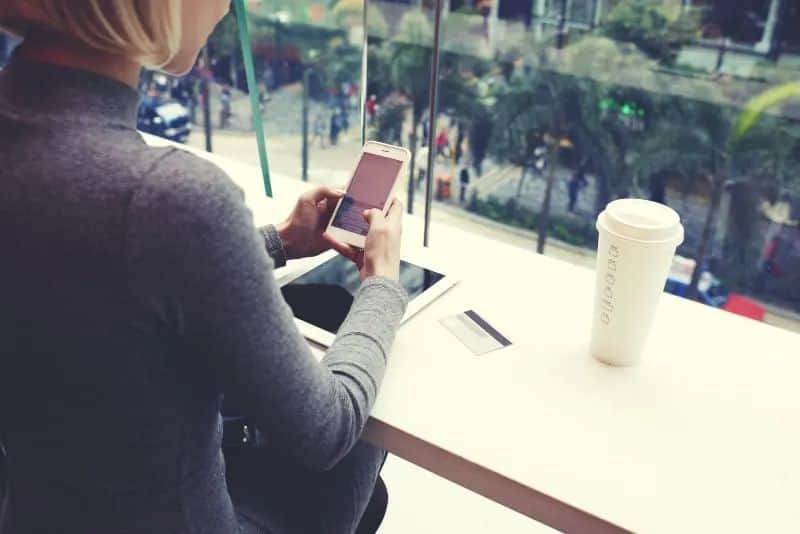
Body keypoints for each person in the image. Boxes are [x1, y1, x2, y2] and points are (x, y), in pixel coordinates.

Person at [0, 2, 406, 534]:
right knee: (362, 446)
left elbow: (94, 268)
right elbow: (326, 431)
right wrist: (382, 283)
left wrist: (277, 241)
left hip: (38, 510)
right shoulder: (170, 198)